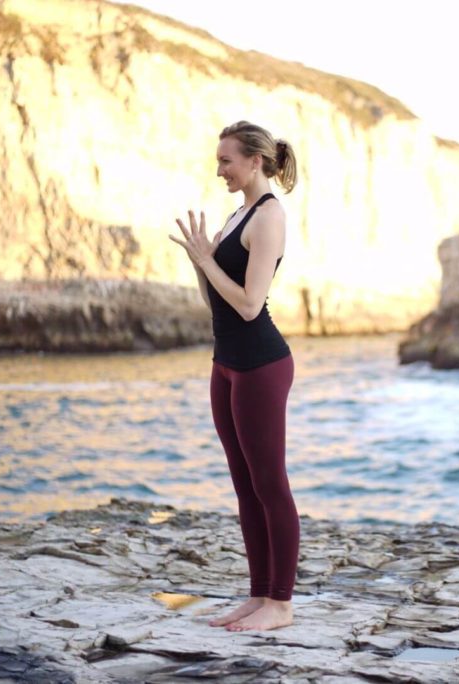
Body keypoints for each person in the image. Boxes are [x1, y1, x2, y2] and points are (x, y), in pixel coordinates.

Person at [169, 120, 299, 632]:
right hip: (226, 363)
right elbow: (215, 302)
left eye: (226, 160)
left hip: (262, 365)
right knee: (245, 486)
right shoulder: (236, 214)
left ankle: (281, 605)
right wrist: (198, 264)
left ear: (255, 162)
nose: (219, 168)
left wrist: (208, 258)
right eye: (218, 160)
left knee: (271, 484)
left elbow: (248, 305)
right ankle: (259, 595)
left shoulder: (268, 217)